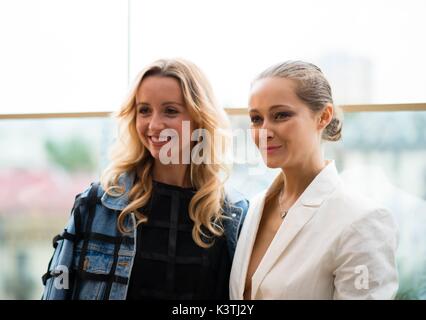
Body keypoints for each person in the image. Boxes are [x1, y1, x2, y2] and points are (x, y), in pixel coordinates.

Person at [42, 58, 248, 300]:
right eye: (144, 110)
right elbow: (57, 291)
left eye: (170, 110)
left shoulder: (232, 214)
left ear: (199, 120)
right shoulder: (98, 204)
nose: (154, 124)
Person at [229, 60, 398, 300]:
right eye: (256, 119)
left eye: (281, 115)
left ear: (324, 116)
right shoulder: (254, 207)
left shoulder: (362, 221)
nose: (264, 131)